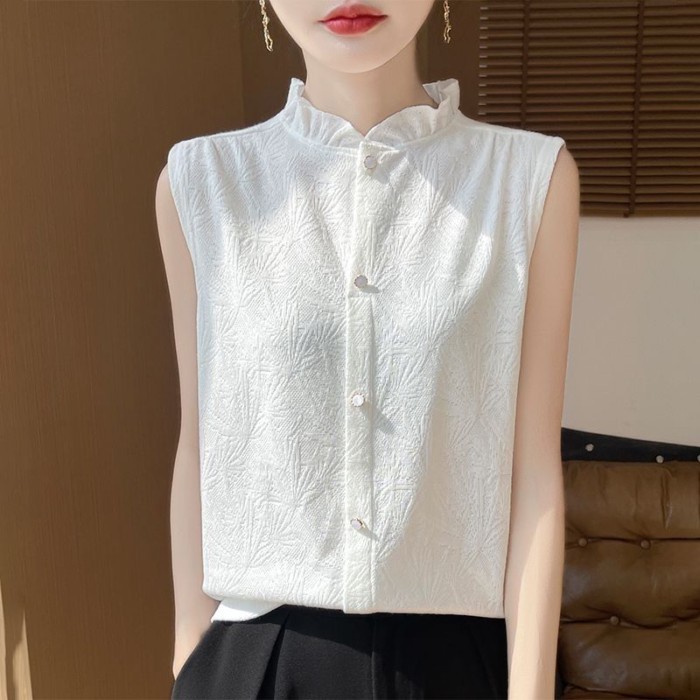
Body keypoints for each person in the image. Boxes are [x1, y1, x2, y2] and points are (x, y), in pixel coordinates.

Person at [154, 0, 580, 697]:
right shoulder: (200, 183)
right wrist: (188, 650)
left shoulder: (529, 178)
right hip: (255, 658)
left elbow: (533, 468)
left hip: (456, 661)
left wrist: (529, 688)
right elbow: (201, 440)